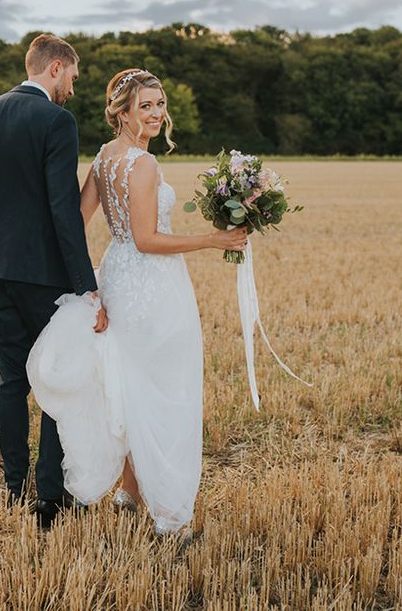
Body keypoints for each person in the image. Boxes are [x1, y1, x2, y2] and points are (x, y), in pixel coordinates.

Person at [27, 69, 247, 539]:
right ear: (121, 112)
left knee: (130, 387)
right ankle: (169, 513)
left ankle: (129, 492)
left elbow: (77, 219)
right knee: (165, 394)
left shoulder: (106, 157)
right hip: (153, 286)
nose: (155, 113)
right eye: (145, 105)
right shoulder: (144, 166)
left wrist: (89, 281)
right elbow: (147, 239)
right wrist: (213, 238)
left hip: (117, 278)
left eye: (159, 103)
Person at [0, 33, 107, 529]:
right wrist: (85, 283)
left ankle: (14, 487)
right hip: (44, 276)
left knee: (12, 379)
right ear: (55, 68)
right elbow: (61, 210)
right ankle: (48, 498)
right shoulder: (56, 121)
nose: (72, 88)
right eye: (72, 77)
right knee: (55, 373)